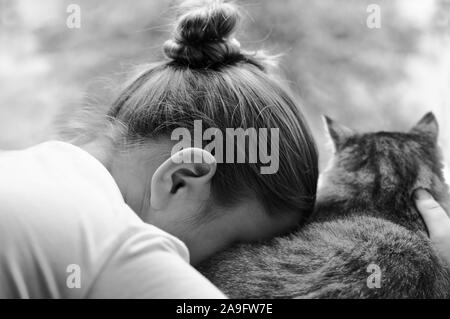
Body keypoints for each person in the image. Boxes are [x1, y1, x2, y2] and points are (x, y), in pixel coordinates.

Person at [0, 0, 319, 298]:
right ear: (180, 181)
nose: (222, 270)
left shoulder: (22, 171)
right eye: (236, 248)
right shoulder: (117, 243)